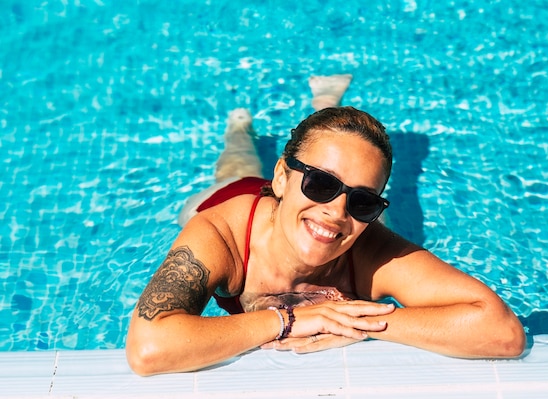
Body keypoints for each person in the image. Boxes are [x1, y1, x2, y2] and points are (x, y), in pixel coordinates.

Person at [126, 74, 526, 376]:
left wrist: (355, 320)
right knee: (236, 168)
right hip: (239, 199)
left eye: (363, 200)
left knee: (360, 213)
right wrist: (290, 320)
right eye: (321, 183)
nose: (337, 211)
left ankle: (325, 107)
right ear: (281, 178)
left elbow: (503, 332)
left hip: (325, 229)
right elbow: (149, 348)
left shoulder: (369, 247)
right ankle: (239, 131)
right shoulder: (221, 235)